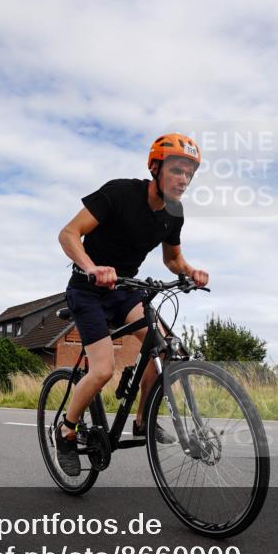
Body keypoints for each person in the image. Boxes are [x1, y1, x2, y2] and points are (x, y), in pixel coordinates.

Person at [55, 133, 210, 476]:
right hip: (89, 289)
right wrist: (91, 267)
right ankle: (66, 431)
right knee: (102, 370)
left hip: (125, 290)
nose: (183, 179)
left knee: (166, 348)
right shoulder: (120, 193)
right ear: (155, 167)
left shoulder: (174, 212)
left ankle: (142, 420)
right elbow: (69, 233)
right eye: (176, 170)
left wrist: (190, 271)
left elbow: (173, 259)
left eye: (189, 173)